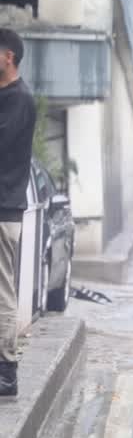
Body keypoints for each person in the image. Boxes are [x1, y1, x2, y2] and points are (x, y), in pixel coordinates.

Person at [0, 29, 35, 397]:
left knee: (2, 293)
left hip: (4, 208)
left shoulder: (18, 99)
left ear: (8, 56)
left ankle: (7, 371)